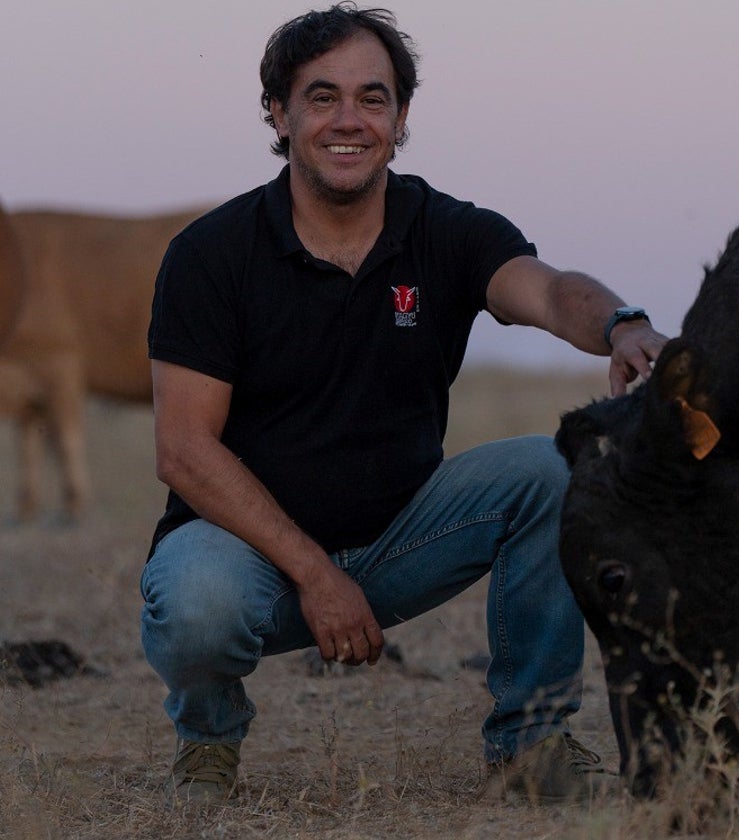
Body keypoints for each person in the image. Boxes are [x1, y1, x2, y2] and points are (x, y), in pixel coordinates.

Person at [140, 2, 666, 806]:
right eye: (322, 97)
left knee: (558, 466)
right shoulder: (211, 255)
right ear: (280, 114)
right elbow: (183, 450)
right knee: (193, 601)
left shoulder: (448, 230)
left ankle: (534, 742)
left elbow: (552, 291)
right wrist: (315, 574)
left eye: (372, 98)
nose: (348, 120)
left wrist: (621, 325)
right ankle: (207, 742)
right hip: (252, 561)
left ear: (402, 116)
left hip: (404, 534)